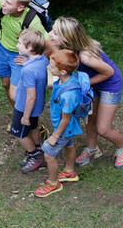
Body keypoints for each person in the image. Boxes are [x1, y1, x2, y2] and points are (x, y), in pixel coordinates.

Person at [47, 16, 123, 168]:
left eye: (54, 33)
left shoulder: (85, 57)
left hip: (109, 85)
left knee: (103, 128)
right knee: (90, 119)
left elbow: (109, 73)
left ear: (67, 38)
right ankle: (93, 149)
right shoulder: (64, 49)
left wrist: (80, 84)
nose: (49, 34)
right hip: (90, 83)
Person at [36, 49, 84, 197]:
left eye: (51, 66)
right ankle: (69, 171)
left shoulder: (68, 95)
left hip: (64, 129)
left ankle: (53, 183)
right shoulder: (67, 79)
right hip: (69, 127)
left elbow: (65, 119)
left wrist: (55, 136)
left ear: (63, 71)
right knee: (69, 145)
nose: (48, 67)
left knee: (48, 154)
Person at [13, 29, 51, 173]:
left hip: (25, 107)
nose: (17, 45)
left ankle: (35, 156)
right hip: (37, 107)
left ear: (30, 47)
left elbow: (31, 97)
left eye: (19, 43)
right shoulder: (43, 60)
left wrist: (25, 116)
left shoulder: (28, 70)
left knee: (18, 133)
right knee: (34, 127)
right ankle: (38, 148)